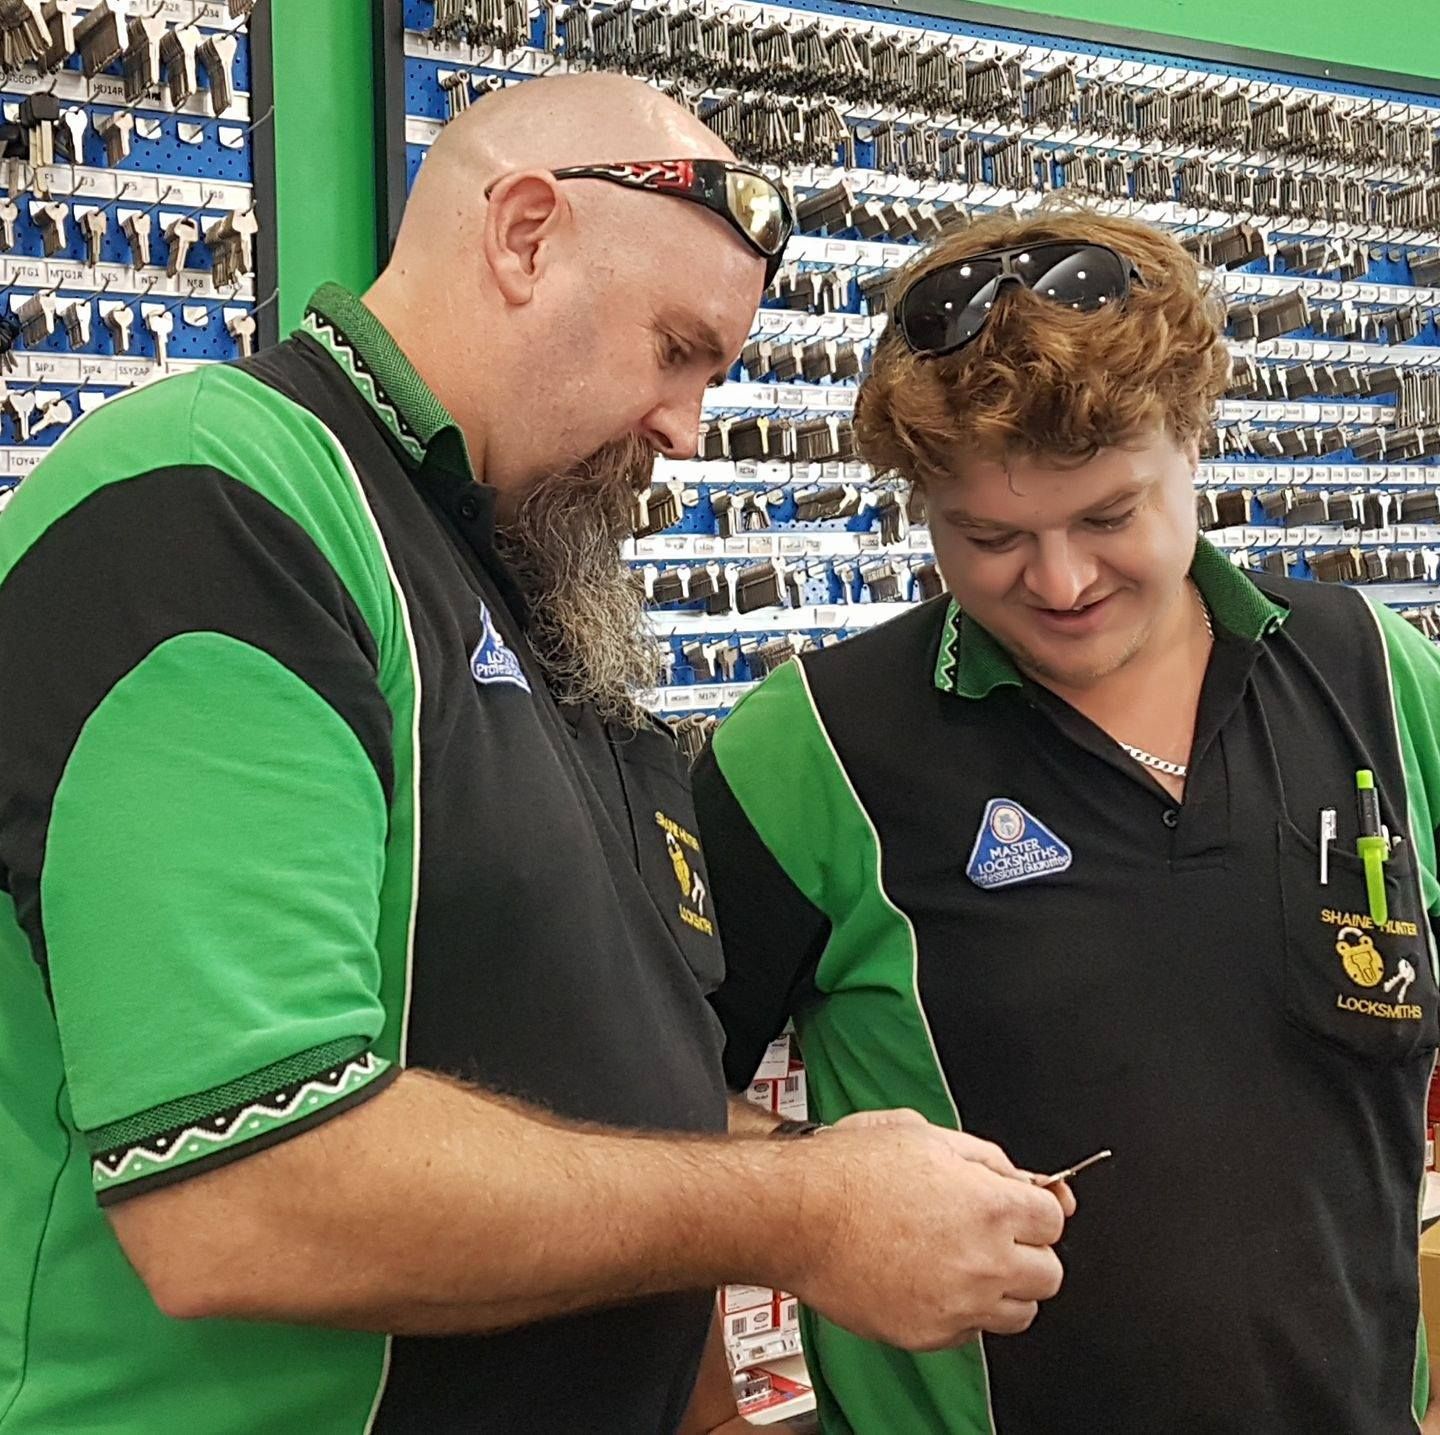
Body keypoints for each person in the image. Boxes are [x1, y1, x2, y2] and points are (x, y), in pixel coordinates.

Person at [0, 75, 1073, 1435]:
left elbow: (605, 1094)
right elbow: (246, 1195)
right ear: (523, 235)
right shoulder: (217, 506)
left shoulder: (540, 586)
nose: (688, 427)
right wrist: (804, 1209)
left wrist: (819, 1229)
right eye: (677, 349)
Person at [693, 206, 1440, 1435]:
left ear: (1195, 438)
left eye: (1108, 517)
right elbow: (643, 1106)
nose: (1060, 581)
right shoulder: (811, 748)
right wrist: (729, 1384)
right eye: (989, 537)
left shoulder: (1375, 674)